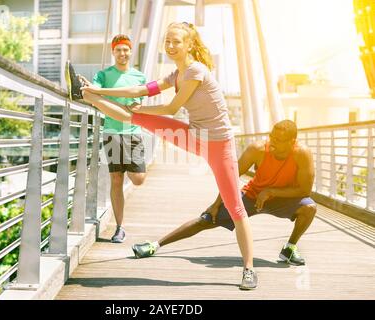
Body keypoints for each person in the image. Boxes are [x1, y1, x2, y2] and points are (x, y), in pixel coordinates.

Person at [70, 22, 257, 290]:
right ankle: (86, 96)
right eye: (167, 41)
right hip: (194, 136)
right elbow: (139, 91)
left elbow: (171, 107)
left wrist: (142, 111)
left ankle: (248, 269)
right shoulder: (176, 74)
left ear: (189, 44)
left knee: (235, 208)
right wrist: (99, 91)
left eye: (176, 42)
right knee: (135, 116)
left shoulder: (195, 71)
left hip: (219, 145)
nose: (170, 46)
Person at [132, 120, 317, 266]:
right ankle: (155, 245)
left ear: (293, 142)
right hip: (252, 196)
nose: (272, 142)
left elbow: (304, 190)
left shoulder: (303, 154)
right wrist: (216, 204)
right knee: (205, 220)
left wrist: (270, 191)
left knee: (309, 208)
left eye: (278, 140)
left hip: (279, 198)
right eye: (271, 136)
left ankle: (289, 248)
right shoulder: (258, 149)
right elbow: (232, 176)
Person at [66, 34, 147, 243]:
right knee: (116, 179)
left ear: (131, 52)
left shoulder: (139, 77)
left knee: (138, 179)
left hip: (133, 133)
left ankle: (130, 166)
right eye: (118, 49)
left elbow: (134, 107)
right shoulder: (103, 75)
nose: (122, 53)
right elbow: (96, 96)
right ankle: (120, 228)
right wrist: (88, 89)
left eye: (126, 49)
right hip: (112, 133)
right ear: (113, 52)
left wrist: (99, 96)